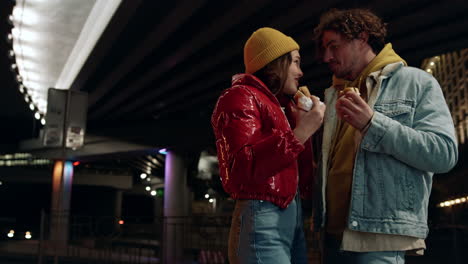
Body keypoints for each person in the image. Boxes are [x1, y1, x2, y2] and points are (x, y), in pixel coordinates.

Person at [311, 8, 458, 263]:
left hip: (378, 237)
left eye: (333, 46)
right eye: (324, 49)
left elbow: (444, 153)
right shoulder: (333, 95)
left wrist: (372, 124)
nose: (326, 57)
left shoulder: (416, 82)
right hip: (331, 238)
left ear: (362, 38)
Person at [211, 27, 326, 263]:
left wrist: (304, 124)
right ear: (275, 63)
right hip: (262, 217)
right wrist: (302, 131)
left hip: (288, 216)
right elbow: (241, 168)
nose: (301, 72)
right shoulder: (239, 96)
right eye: (295, 62)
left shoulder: (281, 107)